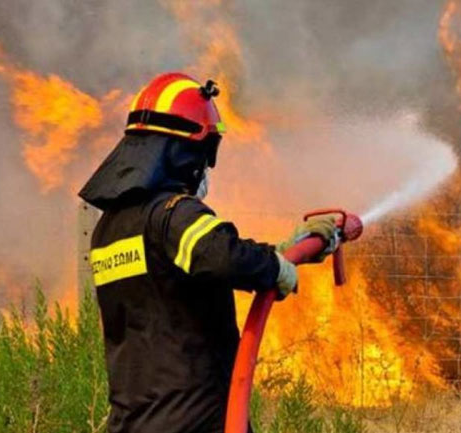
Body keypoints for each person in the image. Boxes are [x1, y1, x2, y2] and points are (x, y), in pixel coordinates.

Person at [78, 72, 337, 433]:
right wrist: (274, 267)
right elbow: (222, 256)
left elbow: (182, 273)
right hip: (193, 419)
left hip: (135, 422)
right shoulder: (173, 214)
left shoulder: (110, 228)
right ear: (186, 152)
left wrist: (278, 254)